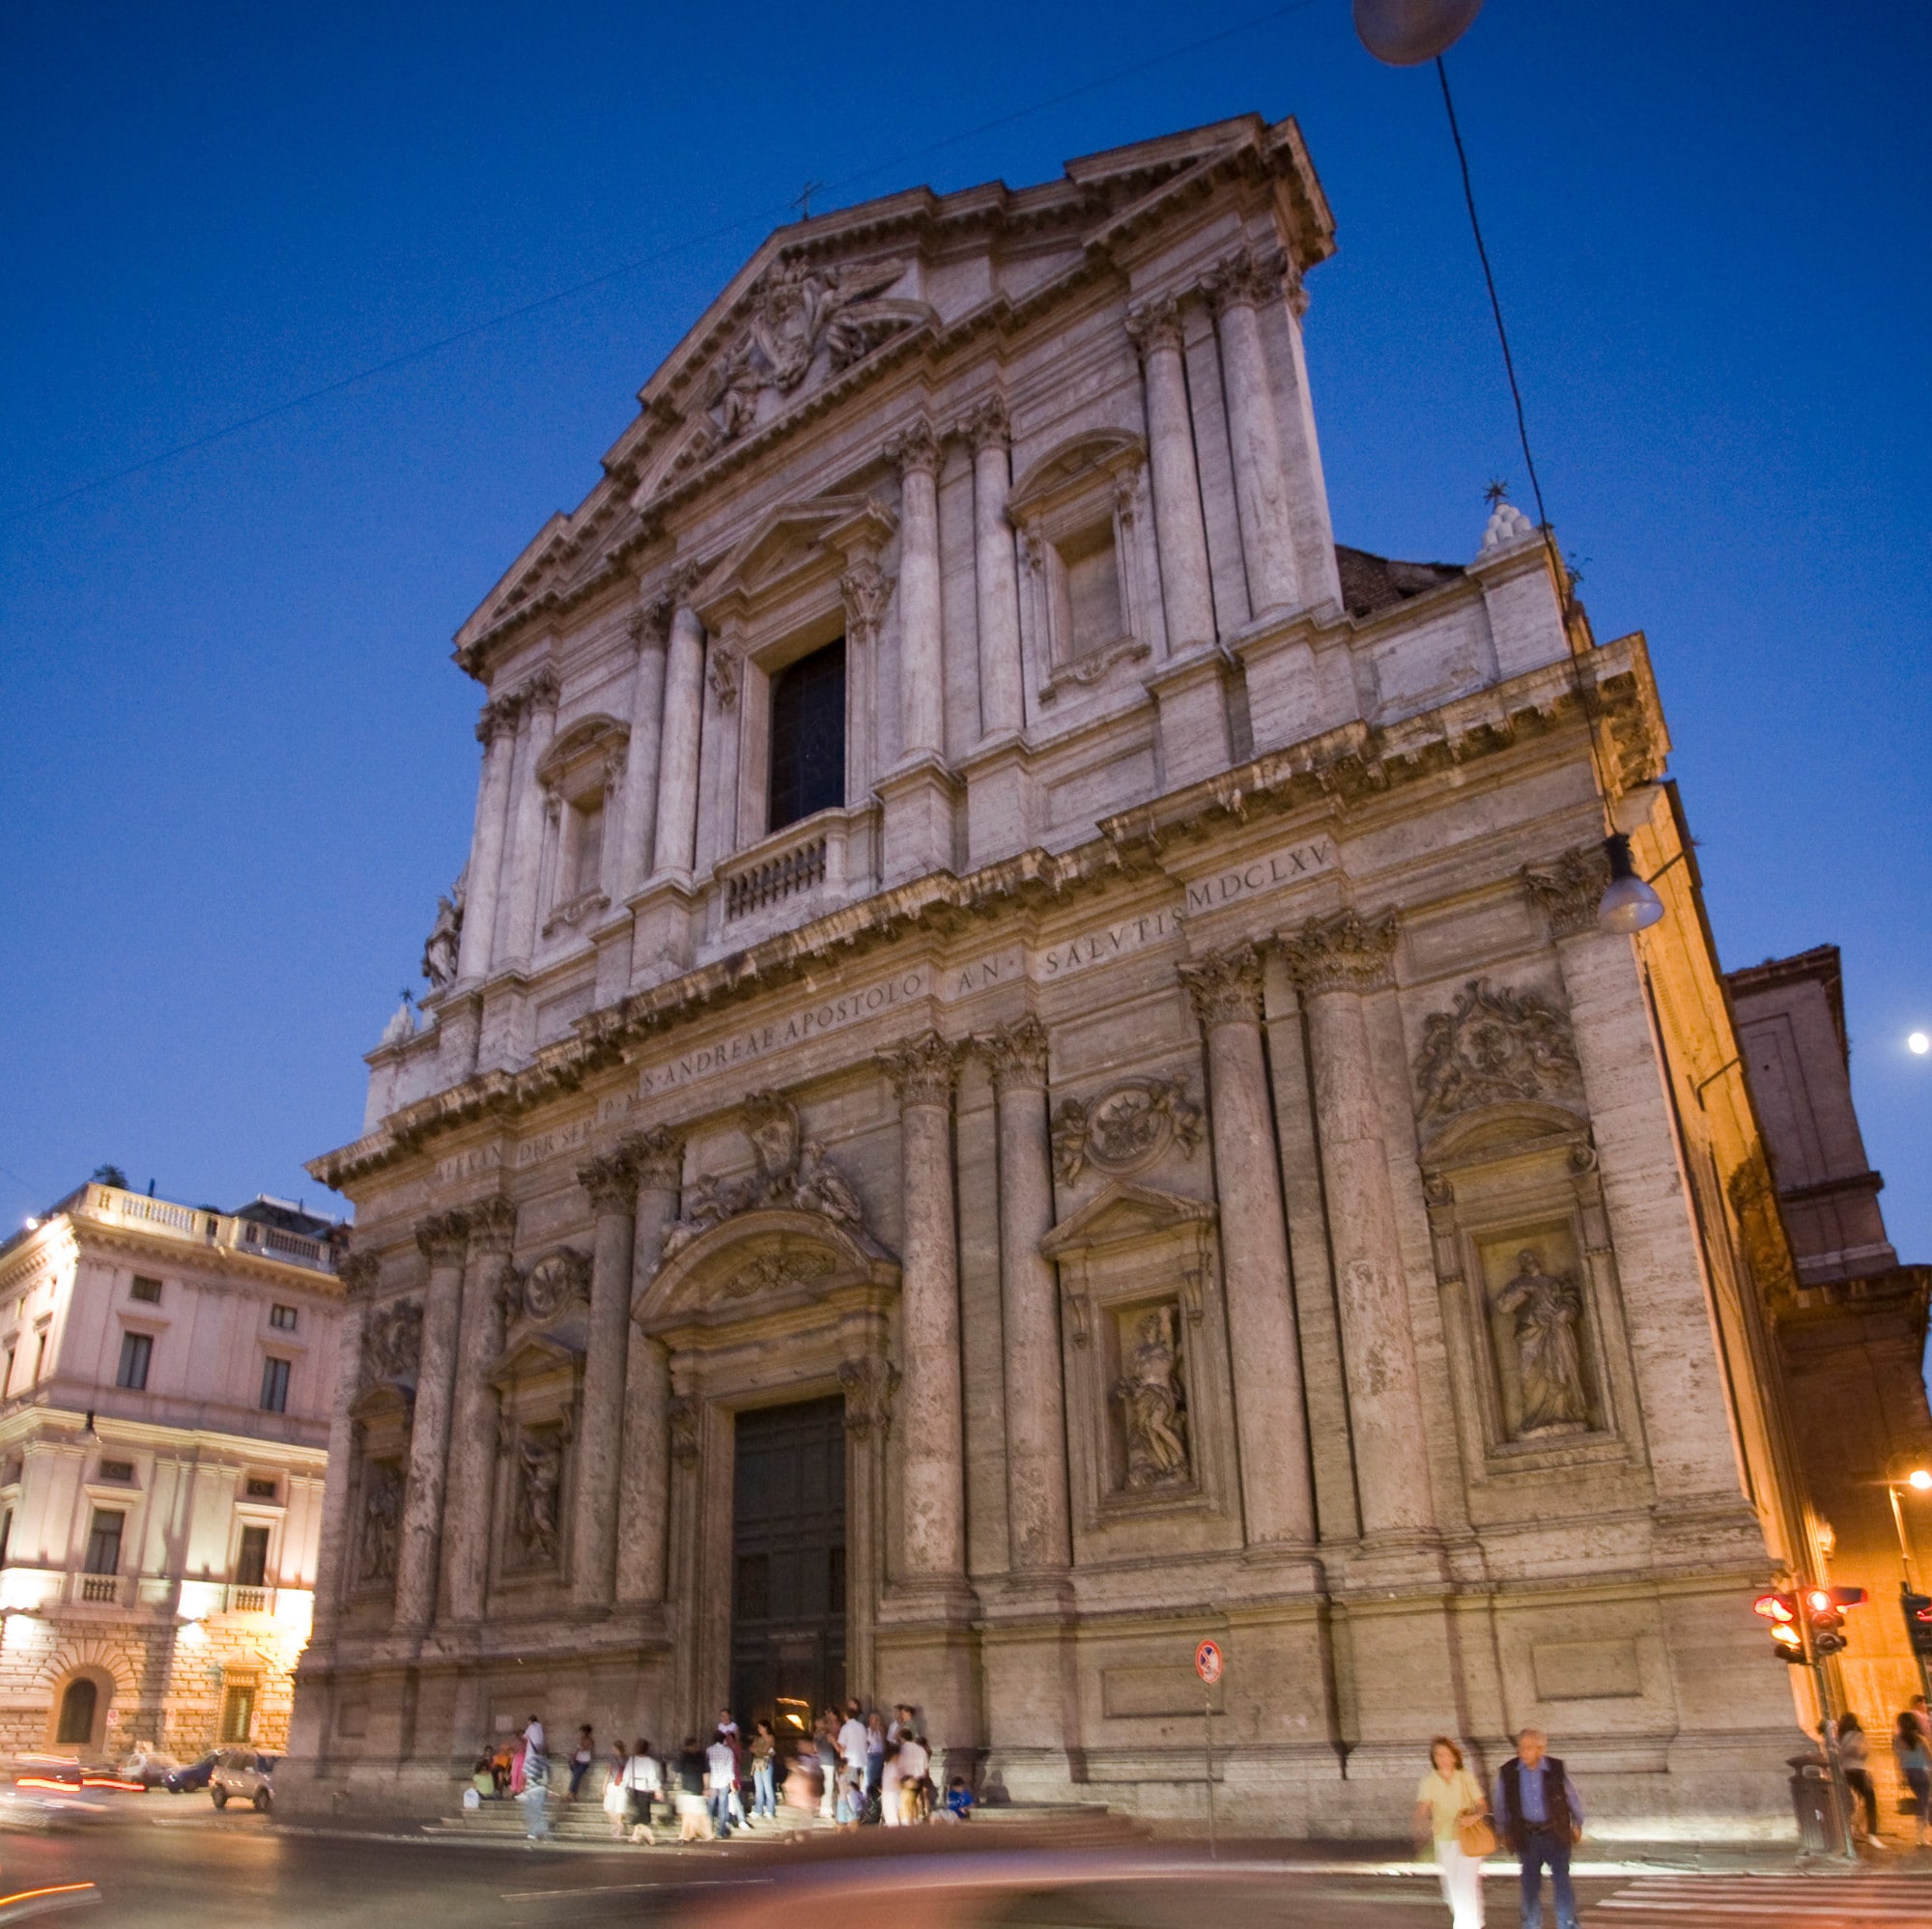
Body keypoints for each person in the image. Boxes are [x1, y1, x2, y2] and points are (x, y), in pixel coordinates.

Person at [1492, 1729, 1581, 1929]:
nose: (1523, 1752)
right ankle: (1531, 1925)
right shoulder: (1508, 1771)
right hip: (1527, 1836)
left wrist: (1578, 1822)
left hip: (1555, 1833)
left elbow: (1571, 1796)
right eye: (1521, 1747)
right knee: (1530, 1886)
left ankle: (1567, 1924)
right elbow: (1501, 1803)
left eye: (1529, 1747)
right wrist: (1502, 1830)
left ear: (1541, 1749)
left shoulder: (1555, 1769)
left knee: (1562, 1882)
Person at [1415, 1736, 1488, 1929]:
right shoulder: (1429, 1781)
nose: (1443, 1758)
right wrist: (1424, 1824)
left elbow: (1482, 1805)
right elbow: (1423, 1808)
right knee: (1452, 1890)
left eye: (1446, 1754)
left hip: (1467, 1837)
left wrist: (1473, 1817)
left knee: (1465, 1885)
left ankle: (1466, 1926)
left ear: (1455, 1757)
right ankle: (1474, 1922)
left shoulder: (1466, 1777)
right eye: (1438, 1754)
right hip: (1444, 1839)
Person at [1836, 1715, 1879, 1846]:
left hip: (1846, 1772)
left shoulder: (1839, 1736)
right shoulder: (1856, 1734)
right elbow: (1858, 1751)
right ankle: (1872, 1834)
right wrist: (1864, 1751)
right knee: (1870, 1801)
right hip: (1859, 1771)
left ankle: (1855, 1829)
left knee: (1857, 1801)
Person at [1894, 1711, 1932, 1849]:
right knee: (1925, 1802)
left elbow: (1898, 1760)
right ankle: (1920, 1836)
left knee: (1923, 1801)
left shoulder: (1897, 1739)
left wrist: (1901, 1776)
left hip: (1910, 1774)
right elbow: (1929, 1758)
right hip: (1923, 1773)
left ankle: (1921, 1835)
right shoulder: (1920, 1739)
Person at [520, 1722, 553, 1843]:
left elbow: (526, 1774)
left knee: (532, 1812)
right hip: (540, 1789)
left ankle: (534, 1832)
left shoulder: (531, 1760)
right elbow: (548, 1778)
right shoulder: (546, 1763)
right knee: (538, 1811)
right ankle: (536, 1832)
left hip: (531, 1789)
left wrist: (524, 1788)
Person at [676, 1737, 713, 1842]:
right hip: (693, 1788)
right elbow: (705, 1772)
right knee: (697, 1814)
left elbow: (677, 1768)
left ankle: (685, 1835)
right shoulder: (698, 1757)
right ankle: (692, 1834)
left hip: (690, 1789)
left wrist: (706, 1787)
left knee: (689, 1814)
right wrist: (706, 1787)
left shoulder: (687, 1757)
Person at [706, 1727, 737, 1838]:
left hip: (712, 1781)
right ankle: (720, 1832)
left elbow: (707, 1767)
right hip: (724, 1781)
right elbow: (730, 1769)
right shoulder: (728, 1751)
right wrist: (732, 1784)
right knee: (723, 1807)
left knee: (710, 1806)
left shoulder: (709, 1750)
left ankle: (708, 1831)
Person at [897, 1729, 930, 1824]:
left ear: (902, 1738)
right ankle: (915, 1820)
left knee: (906, 1801)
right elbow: (925, 1767)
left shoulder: (903, 1749)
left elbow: (900, 1765)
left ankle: (908, 1821)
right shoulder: (920, 1749)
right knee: (914, 1800)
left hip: (907, 1778)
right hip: (919, 1778)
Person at [751, 1720, 779, 1820]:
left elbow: (766, 1750)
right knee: (758, 1787)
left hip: (766, 1763)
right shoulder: (758, 1738)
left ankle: (770, 1810)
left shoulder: (770, 1738)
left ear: (766, 1728)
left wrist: (758, 1750)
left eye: (760, 1727)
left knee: (767, 1786)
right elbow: (752, 1748)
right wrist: (760, 1750)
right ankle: (758, 1809)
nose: (758, 1729)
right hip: (757, 1763)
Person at [569, 1724, 596, 1800]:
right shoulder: (581, 1739)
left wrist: (582, 1748)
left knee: (576, 1775)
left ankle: (571, 1793)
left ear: (586, 1732)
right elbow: (578, 1750)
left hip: (584, 1762)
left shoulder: (591, 1741)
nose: (581, 1733)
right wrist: (573, 1757)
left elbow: (588, 1748)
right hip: (578, 1760)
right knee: (575, 1776)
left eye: (582, 1732)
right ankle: (572, 1794)